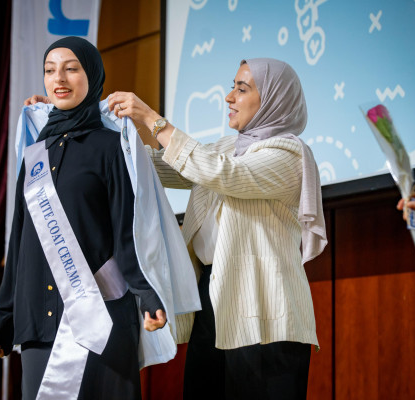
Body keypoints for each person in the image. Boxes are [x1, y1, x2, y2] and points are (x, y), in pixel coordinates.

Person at [107, 58, 328, 399]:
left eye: (242, 88)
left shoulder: (289, 153)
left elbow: (222, 173)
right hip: (210, 295)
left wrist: (152, 119)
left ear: (274, 99)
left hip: (264, 305)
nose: (229, 97)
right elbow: (159, 169)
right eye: (232, 86)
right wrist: (81, 123)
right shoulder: (226, 148)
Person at [0, 37, 167, 400]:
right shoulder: (34, 155)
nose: (58, 78)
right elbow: (19, 243)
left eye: (71, 68)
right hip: (38, 324)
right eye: (50, 70)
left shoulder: (112, 147)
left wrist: (145, 294)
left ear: (93, 75)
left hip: (101, 318)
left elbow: (129, 232)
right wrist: (5, 318)